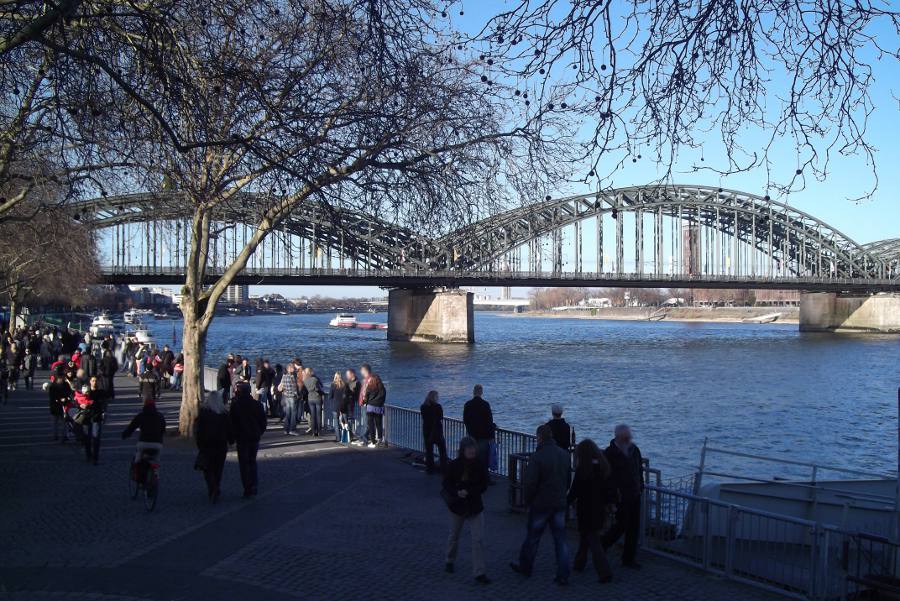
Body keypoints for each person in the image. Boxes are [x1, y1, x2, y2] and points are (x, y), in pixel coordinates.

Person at [510, 424, 571, 585]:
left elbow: (530, 483)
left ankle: (526, 567)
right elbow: (568, 480)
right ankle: (563, 573)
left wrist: (528, 501)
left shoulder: (537, 457)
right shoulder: (564, 455)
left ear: (539, 438)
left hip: (541, 504)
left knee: (533, 537)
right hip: (559, 503)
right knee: (560, 540)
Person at [442, 437, 491, 585]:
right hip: (458, 506)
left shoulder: (479, 464)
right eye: (469, 449)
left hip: (474, 505)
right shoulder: (454, 465)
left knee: (478, 539)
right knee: (454, 535)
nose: (471, 451)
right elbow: (446, 483)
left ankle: (479, 572)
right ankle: (449, 560)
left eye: (473, 448)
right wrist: (457, 492)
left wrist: (470, 492)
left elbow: (484, 483)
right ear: (463, 450)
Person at [568, 439, 616, 582]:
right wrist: (610, 504)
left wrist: (564, 503)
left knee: (593, 540)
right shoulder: (603, 468)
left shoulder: (583, 470)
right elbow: (609, 491)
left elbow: (574, 491)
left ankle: (604, 572)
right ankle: (579, 563)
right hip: (599, 510)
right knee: (586, 537)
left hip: (585, 510)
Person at [601, 424, 644, 569]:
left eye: (629, 436)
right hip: (620, 496)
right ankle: (603, 544)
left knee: (633, 527)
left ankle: (628, 558)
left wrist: (641, 485)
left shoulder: (634, 450)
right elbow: (607, 477)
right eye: (625, 437)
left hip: (634, 493)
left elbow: (639, 469)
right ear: (618, 437)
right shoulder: (610, 453)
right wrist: (610, 497)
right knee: (621, 525)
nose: (628, 439)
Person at [194, 389, 234, 503]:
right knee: (218, 468)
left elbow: (198, 430)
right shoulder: (224, 414)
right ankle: (216, 485)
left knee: (208, 468)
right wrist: (231, 441)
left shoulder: (203, 413)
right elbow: (229, 429)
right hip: (221, 445)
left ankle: (212, 487)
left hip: (207, 445)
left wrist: (199, 444)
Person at [230, 382, 267, 498]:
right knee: (252, 461)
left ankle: (247, 486)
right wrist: (259, 432)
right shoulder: (257, 405)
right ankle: (254, 485)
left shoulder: (235, 405)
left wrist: (232, 437)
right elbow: (263, 422)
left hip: (241, 437)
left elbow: (232, 423)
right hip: (254, 436)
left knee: (243, 463)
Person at [121, 395, 167, 470]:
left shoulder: (141, 415)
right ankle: (156, 474)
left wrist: (125, 435)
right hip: (157, 444)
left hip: (143, 442)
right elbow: (163, 429)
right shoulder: (160, 416)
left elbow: (131, 427)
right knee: (156, 462)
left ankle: (136, 472)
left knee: (137, 460)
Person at [463, 384, 494, 472]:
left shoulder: (468, 404)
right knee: (483, 458)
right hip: (483, 436)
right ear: (481, 392)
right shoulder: (485, 404)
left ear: (473, 392)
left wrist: (470, 431)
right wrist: (491, 436)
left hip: (472, 435)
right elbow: (489, 421)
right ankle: (484, 478)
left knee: (472, 457)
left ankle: (472, 476)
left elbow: (465, 420)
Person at [82, 375, 108, 464]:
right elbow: (78, 400)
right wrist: (81, 405)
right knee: (87, 438)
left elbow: (104, 404)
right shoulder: (85, 392)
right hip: (87, 416)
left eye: (96, 380)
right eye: (93, 381)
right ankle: (88, 455)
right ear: (90, 382)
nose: (94, 382)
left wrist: (104, 412)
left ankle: (95, 458)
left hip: (96, 417)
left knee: (96, 438)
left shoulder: (101, 392)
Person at [421, 390, 448, 474]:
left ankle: (430, 469)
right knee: (442, 450)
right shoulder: (438, 406)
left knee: (429, 451)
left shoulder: (423, 406)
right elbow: (441, 417)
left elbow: (424, 418)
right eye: (437, 396)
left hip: (427, 431)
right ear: (435, 397)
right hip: (437, 431)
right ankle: (444, 469)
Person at [364, 372, 386, 448]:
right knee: (379, 424)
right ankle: (380, 439)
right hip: (379, 408)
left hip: (370, 407)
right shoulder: (382, 388)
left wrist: (365, 402)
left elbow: (366, 398)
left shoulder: (370, 387)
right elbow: (383, 398)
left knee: (371, 425)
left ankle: (373, 442)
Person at [302, 367, 324, 437]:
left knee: (313, 416)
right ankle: (319, 431)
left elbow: (304, 391)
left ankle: (314, 431)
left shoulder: (305, 381)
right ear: (311, 372)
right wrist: (321, 393)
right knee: (318, 415)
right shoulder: (315, 379)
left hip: (310, 399)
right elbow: (319, 388)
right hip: (317, 398)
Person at [279, 362, 300, 435]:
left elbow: (282, 387)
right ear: (289, 369)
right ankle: (292, 429)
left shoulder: (284, 376)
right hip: (292, 397)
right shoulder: (292, 377)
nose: (294, 369)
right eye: (292, 368)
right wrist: (297, 395)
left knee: (288, 413)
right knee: (293, 414)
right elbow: (294, 388)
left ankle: (286, 429)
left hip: (286, 396)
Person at [47, 376, 70, 441]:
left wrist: (65, 398)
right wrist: (59, 399)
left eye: (62, 377)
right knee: (55, 421)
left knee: (64, 421)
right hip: (55, 405)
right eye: (60, 378)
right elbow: (52, 397)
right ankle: (55, 435)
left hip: (64, 405)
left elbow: (69, 393)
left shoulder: (66, 384)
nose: (61, 379)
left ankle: (64, 435)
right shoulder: (53, 386)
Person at [329, 372, 345, 442]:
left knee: (336, 422)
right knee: (344, 421)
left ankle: (338, 438)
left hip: (335, 405)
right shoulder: (344, 384)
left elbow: (330, 396)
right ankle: (346, 436)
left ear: (335, 377)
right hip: (343, 405)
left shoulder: (333, 385)